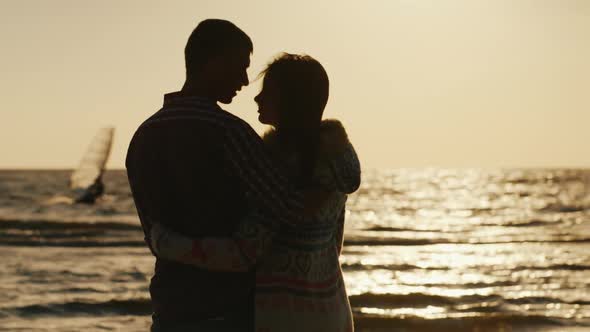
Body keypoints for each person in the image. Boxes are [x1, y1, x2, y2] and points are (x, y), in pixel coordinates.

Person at [150, 53, 361, 332]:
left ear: (290, 101)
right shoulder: (335, 165)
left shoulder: (274, 174)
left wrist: (167, 243)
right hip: (332, 312)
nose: (256, 99)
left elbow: (243, 253)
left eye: (267, 93)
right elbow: (335, 245)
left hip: (283, 318)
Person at [125, 20, 306, 331]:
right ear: (214, 62)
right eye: (240, 67)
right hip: (228, 310)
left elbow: (153, 234)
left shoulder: (143, 136)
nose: (245, 80)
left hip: (170, 310)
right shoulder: (229, 132)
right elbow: (288, 208)